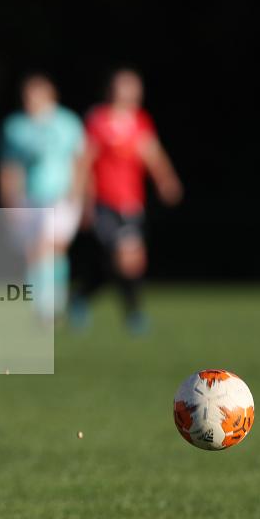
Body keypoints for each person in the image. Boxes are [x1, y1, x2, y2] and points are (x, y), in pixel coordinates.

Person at [72, 68, 182, 333]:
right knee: (126, 258)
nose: (129, 92)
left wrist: (166, 180)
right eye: (124, 86)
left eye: (133, 87)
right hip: (104, 203)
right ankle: (134, 315)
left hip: (132, 202)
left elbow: (152, 154)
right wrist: (84, 199)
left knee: (126, 262)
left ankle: (81, 297)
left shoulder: (140, 121)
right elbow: (85, 161)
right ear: (111, 89)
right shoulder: (98, 120)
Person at [0, 73, 87, 323]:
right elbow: (9, 167)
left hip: (62, 195)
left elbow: (81, 160)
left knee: (53, 248)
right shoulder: (15, 126)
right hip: (30, 196)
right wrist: (10, 200)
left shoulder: (67, 122)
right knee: (36, 250)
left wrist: (78, 192)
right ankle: (43, 304)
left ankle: (51, 303)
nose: (30, 100)